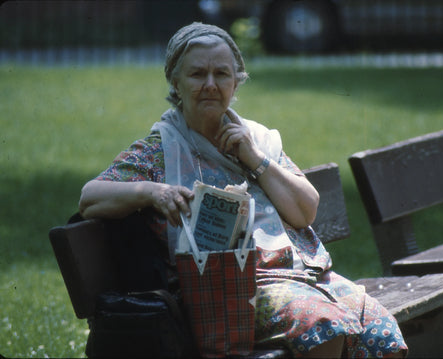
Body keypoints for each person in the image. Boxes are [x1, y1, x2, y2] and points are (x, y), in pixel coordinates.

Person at [79, 22, 408, 358]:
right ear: (175, 82)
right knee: (323, 325)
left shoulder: (255, 139)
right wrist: (151, 192)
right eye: (197, 74)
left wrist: (254, 159)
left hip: (303, 275)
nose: (210, 84)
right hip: (234, 291)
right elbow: (90, 197)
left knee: (384, 335)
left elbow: (305, 210)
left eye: (221, 74)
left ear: (236, 82)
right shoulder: (159, 149)